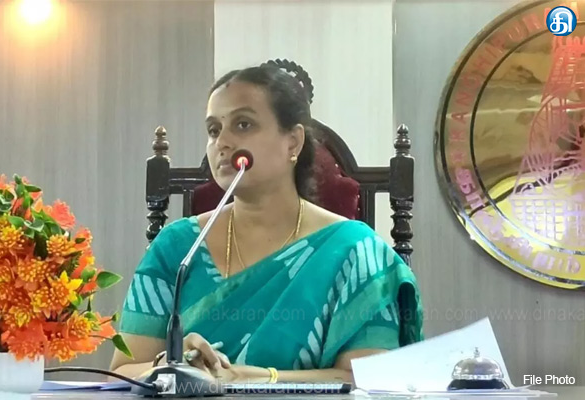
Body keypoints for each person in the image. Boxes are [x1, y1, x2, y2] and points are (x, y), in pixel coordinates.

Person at [110, 61, 423, 384]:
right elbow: (121, 373)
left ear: (293, 142)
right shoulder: (177, 248)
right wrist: (169, 363)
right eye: (214, 130)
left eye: (243, 124)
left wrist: (255, 377)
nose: (222, 142)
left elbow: (366, 379)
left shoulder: (355, 251)